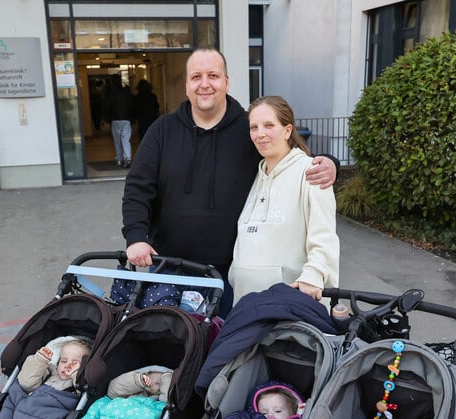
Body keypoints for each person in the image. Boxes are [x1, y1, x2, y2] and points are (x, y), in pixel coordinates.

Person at [121, 48, 337, 314]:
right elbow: (137, 188)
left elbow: (283, 153)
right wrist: (135, 237)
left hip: (228, 277)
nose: (205, 84)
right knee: (170, 347)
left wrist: (328, 162)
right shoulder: (162, 131)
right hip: (169, 270)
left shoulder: (248, 128)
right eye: (196, 76)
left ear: (226, 81)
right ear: (187, 85)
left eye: (213, 75)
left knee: (223, 350)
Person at [229, 95, 339, 303]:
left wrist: (314, 275)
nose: (260, 134)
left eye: (269, 125)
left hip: (290, 306)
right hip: (247, 305)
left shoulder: (311, 172)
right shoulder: (257, 176)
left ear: (287, 130)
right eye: (254, 127)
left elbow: (324, 235)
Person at [17, 336, 93, 393]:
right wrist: (40, 360)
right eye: (63, 361)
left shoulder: (78, 384)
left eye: (74, 363)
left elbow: (83, 390)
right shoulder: (48, 371)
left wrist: (76, 374)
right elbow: (27, 384)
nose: (67, 366)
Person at [103, 75, 135, 168]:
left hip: (115, 119)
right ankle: (128, 158)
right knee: (126, 140)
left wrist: (107, 118)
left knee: (117, 141)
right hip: (126, 119)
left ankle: (119, 159)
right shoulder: (125, 92)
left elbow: (107, 107)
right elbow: (131, 105)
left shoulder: (110, 93)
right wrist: (132, 117)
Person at [107, 365, 173, 402]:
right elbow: (112, 392)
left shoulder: (158, 400)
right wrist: (138, 380)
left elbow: (166, 400)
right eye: (157, 382)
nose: (150, 382)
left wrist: (167, 378)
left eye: (159, 384)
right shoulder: (134, 389)